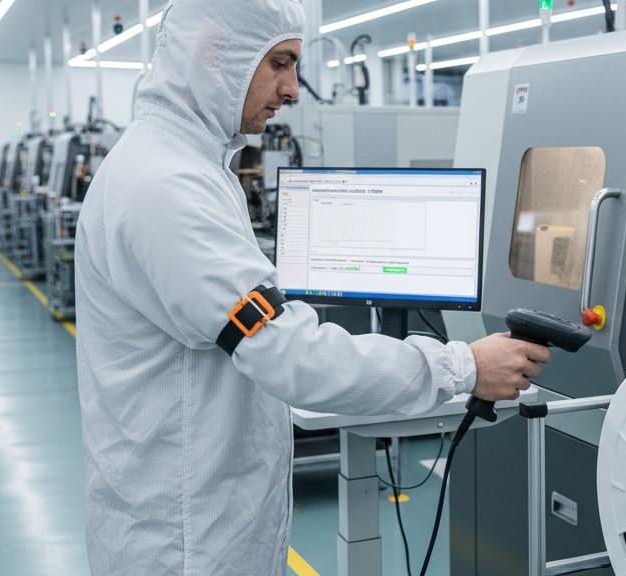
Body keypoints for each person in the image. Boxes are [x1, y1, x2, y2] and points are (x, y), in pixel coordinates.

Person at [73, 1, 550, 574]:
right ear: (212, 52)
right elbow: (288, 353)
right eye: (279, 62)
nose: (293, 89)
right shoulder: (165, 185)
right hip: (184, 544)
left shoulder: (189, 167)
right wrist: (463, 367)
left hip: (195, 518)